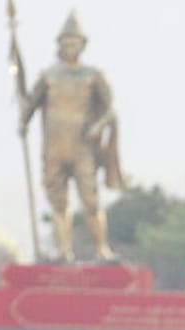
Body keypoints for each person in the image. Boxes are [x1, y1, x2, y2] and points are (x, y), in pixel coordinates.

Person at [18, 11, 123, 262]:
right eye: (65, 42)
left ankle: (102, 248)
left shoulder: (93, 76)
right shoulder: (49, 76)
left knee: (90, 200)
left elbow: (111, 109)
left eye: (74, 42)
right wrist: (23, 121)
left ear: (83, 44)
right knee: (58, 202)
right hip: (54, 147)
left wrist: (98, 126)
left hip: (82, 146)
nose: (70, 47)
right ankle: (64, 250)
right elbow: (31, 105)